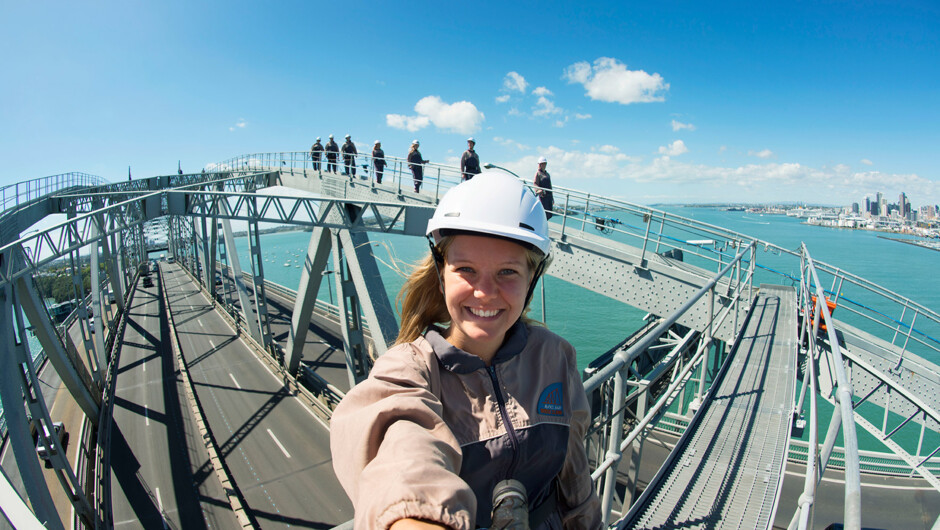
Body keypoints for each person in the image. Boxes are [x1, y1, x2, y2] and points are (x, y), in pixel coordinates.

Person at [330, 171, 602, 530]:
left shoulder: (554, 356)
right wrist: (414, 518)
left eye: (507, 272)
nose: (485, 292)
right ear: (442, 274)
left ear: (531, 280)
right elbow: (402, 451)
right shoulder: (410, 370)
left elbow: (575, 477)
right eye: (466, 269)